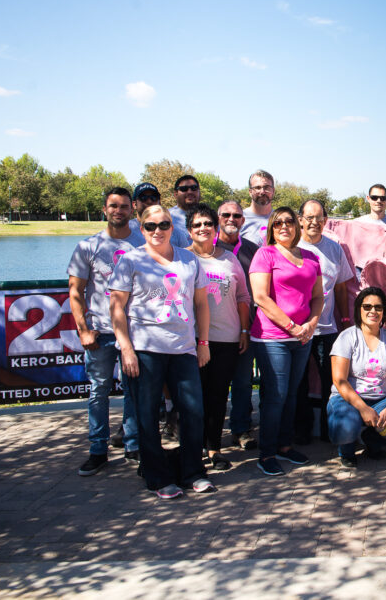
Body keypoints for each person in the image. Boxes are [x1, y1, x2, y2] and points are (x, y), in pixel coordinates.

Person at [108, 205, 214, 499]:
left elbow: (202, 305)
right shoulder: (130, 261)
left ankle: (193, 471)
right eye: (151, 225)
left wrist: (202, 343)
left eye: (164, 224)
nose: (158, 230)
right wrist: (126, 348)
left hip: (183, 349)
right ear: (141, 229)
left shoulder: (189, 260)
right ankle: (157, 477)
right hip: (144, 349)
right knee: (146, 415)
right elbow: (116, 308)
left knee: (193, 412)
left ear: (172, 228)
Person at [68, 187, 141, 476]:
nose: (119, 211)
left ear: (132, 210)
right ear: (104, 209)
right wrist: (83, 329)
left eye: (124, 206)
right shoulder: (88, 246)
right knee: (98, 391)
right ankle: (98, 449)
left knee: (133, 392)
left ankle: (133, 445)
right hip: (99, 333)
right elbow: (76, 290)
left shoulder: (142, 242)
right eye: (113, 206)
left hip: (134, 333)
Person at [248, 207, 324, 476]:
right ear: (271, 227)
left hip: (302, 337)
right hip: (272, 338)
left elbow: (318, 297)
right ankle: (266, 452)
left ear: (297, 226)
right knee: (276, 396)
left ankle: (284, 445)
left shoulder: (312, 257)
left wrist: (311, 325)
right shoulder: (265, 254)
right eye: (277, 222)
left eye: (289, 221)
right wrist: (292, 327)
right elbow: (261, 297)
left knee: (292, 394)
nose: (284, 226)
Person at [327, 287, 386, 468]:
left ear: (384, 311)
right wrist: (362, 408)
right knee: (346, 426)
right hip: (348, 399)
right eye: (367, 306)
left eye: (378, 307)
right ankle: (346, 449)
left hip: (381, 399)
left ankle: (372, 439)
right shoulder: (346, 338)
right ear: (359, 309)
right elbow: (339, 380)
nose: (373, 311)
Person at [187, 204, 250, 471]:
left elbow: (243, 296)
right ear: (189, 230)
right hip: (191, 341)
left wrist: (244, 330)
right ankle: (192, 451)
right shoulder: (182, 259)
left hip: (226, 338)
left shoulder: (229, 259)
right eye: (197, 224)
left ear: (215, 228)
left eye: (208, 224)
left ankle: (214, 449)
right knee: (192, 399)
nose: (203, 228)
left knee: (217, 397)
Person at [294, 199, 356, 443]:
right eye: (309, 218)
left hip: (327, 328)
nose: (314, 223)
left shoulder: (334, 248)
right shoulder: (290, 246)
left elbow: (341, 287)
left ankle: (328, 431)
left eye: (319, 218)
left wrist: (344, 319)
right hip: (296, 330)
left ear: (326, 221)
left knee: (330, 383)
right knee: (298, 383)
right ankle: (301, 431)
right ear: (300, 220)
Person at [215, 200, 260, 450]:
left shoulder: (253, 250)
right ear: (218, 218)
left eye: (237, 215)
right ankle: (210, 432)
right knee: (216, 383)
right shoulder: (205, 249)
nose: (231, 219)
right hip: (214, 330)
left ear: (243, 220)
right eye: (226, 215)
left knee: (243, 382)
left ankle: (241, 429)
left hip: (246, 327)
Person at [127, 183, 187, 248]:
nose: (149, 201)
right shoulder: (126, 229)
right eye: (143, 198)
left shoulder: (176, 234)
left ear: (160, 203)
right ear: (134, 204)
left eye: (154, 197)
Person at [241, 169, 275, 245]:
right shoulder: (239, 218)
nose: (262, 192)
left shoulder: (281, 219)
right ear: (250, 192)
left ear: (273, 191)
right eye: (258, 188)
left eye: (267, 187)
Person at [170, 175, 201, 246]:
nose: (190, 192)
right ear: (175, 193)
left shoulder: (210, 217)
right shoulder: (166, 217)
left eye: (194, 188)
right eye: (184, 189)